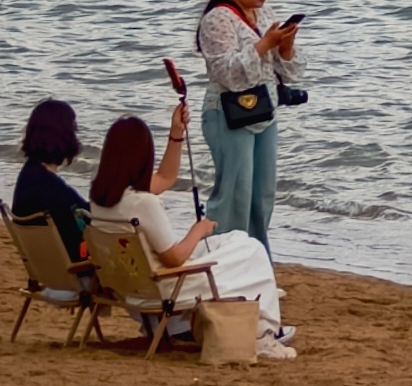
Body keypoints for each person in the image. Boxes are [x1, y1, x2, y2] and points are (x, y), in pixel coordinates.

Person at [87, 103, 292, 344]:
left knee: (236, 239)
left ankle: (180, 326)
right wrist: (197, 231)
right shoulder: (143, 204)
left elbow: (165, 178)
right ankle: (268, 330)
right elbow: (174, 258)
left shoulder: (101, 196)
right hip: (165, 286)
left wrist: (176, 134)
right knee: (253, 250)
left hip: (132, 286)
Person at [191, 0, 304, 248]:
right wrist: (264, 45)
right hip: (228, 112)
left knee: (261, 197)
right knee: (232, 195)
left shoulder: (265, 16)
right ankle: (221, 262)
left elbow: (290, 72)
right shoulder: (217, 18)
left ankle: (255, 265)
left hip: (263, 111)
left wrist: (286, 46)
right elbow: (225, 73)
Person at [14, 99, 92, 260]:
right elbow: (86, 217)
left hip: (50, 268)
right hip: (78, 269)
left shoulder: (30, 175)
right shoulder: (50, 188)